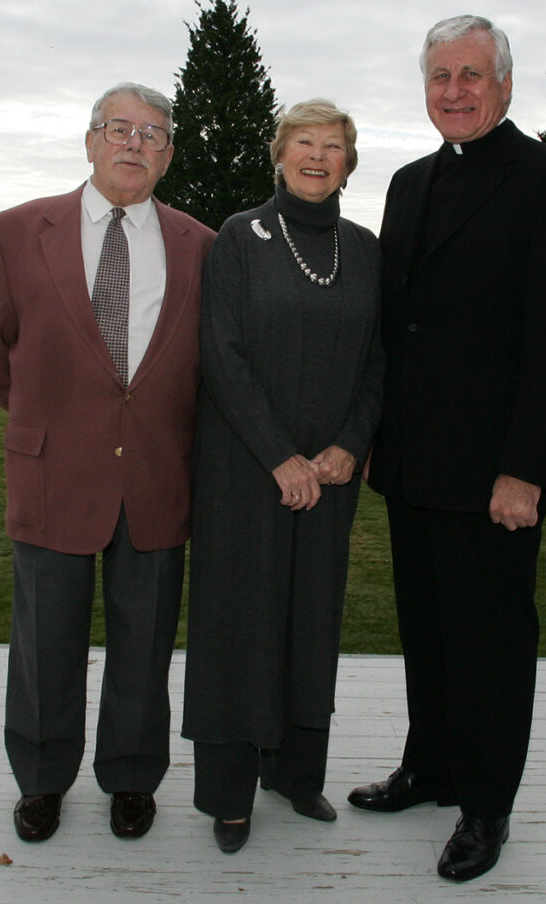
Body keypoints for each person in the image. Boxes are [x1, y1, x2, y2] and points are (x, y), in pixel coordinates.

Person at [348, 16, 546, 882]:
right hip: (415, 462)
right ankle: (432, 767)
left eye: (470, 74)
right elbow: (396, 324)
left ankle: (486, 805)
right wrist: (381, 439)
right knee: (426, 629)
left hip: (499, 470)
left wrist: (526, 467)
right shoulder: (408, 182)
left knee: (490, 640)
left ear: (503, 84)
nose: (453, 90)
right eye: (439, 77)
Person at [0, 82, 215, 843]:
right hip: (53, 470)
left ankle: (132, 778)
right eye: (120, 128)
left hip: (157, 475)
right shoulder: (15, 232)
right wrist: (55, 426)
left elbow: (206, 365)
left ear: (169, 154)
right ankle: (42, 780)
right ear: (90, 140)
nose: (134, 143)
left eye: (152, 133)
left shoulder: (202, 246)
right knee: (45, 642)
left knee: (145, 645)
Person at [181, 99, 384, 855]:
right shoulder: (240, 237)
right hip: (245, 471)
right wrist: (279, 455)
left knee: (309, 623)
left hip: (330, 481)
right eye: (305, 141)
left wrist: (348, 446)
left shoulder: (365, 250)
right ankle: (230, 795)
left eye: (334, 145)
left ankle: (297, 775)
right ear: (279, 152)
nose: (318, 155)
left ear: (348, 164)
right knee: (240, 627)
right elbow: (221, 353)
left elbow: (377, 363)